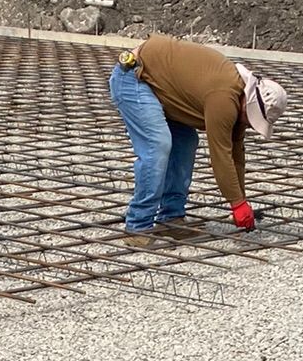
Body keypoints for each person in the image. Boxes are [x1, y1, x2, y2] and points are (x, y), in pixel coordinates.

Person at [109, 33, 287, 237]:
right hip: (134, 77)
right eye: (253, 117)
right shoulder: (224, 98)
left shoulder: (240, 103)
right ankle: (138, 225)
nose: (249, 122)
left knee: (186, 142)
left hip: (163, 87)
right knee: (158, 144)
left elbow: (236, 154)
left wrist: (241, 200)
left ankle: (171, 217)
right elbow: (221, 156)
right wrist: (237, 204)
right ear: (250, 101)